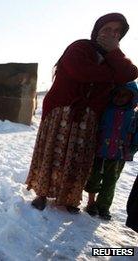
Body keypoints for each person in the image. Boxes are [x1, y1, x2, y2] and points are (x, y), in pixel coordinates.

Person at [26, 13, 138, 213]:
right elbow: (82, 72)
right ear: (97, 31)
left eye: (116, 31)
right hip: (62, 110)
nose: (111, 34)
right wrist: (113, 75)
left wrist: (115, 53)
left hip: (90, 116)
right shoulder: (80, 47)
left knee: (78, 159)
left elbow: (131, 74)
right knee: (53, 153)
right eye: (107, 29)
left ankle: (69, 198)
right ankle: (42, 194)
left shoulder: (115, 57)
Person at [84, 82, 138, 220]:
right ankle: (91, 202)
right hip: (100, 151)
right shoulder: (106, 110)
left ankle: (103, 206)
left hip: (119, 154)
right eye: (117, 94)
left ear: (132, 98)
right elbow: (96, 127)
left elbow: (136, 134)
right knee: (94, 176)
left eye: (124, 96)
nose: (120, 98)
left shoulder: (133, 115)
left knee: (110, 181)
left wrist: (133, 147)